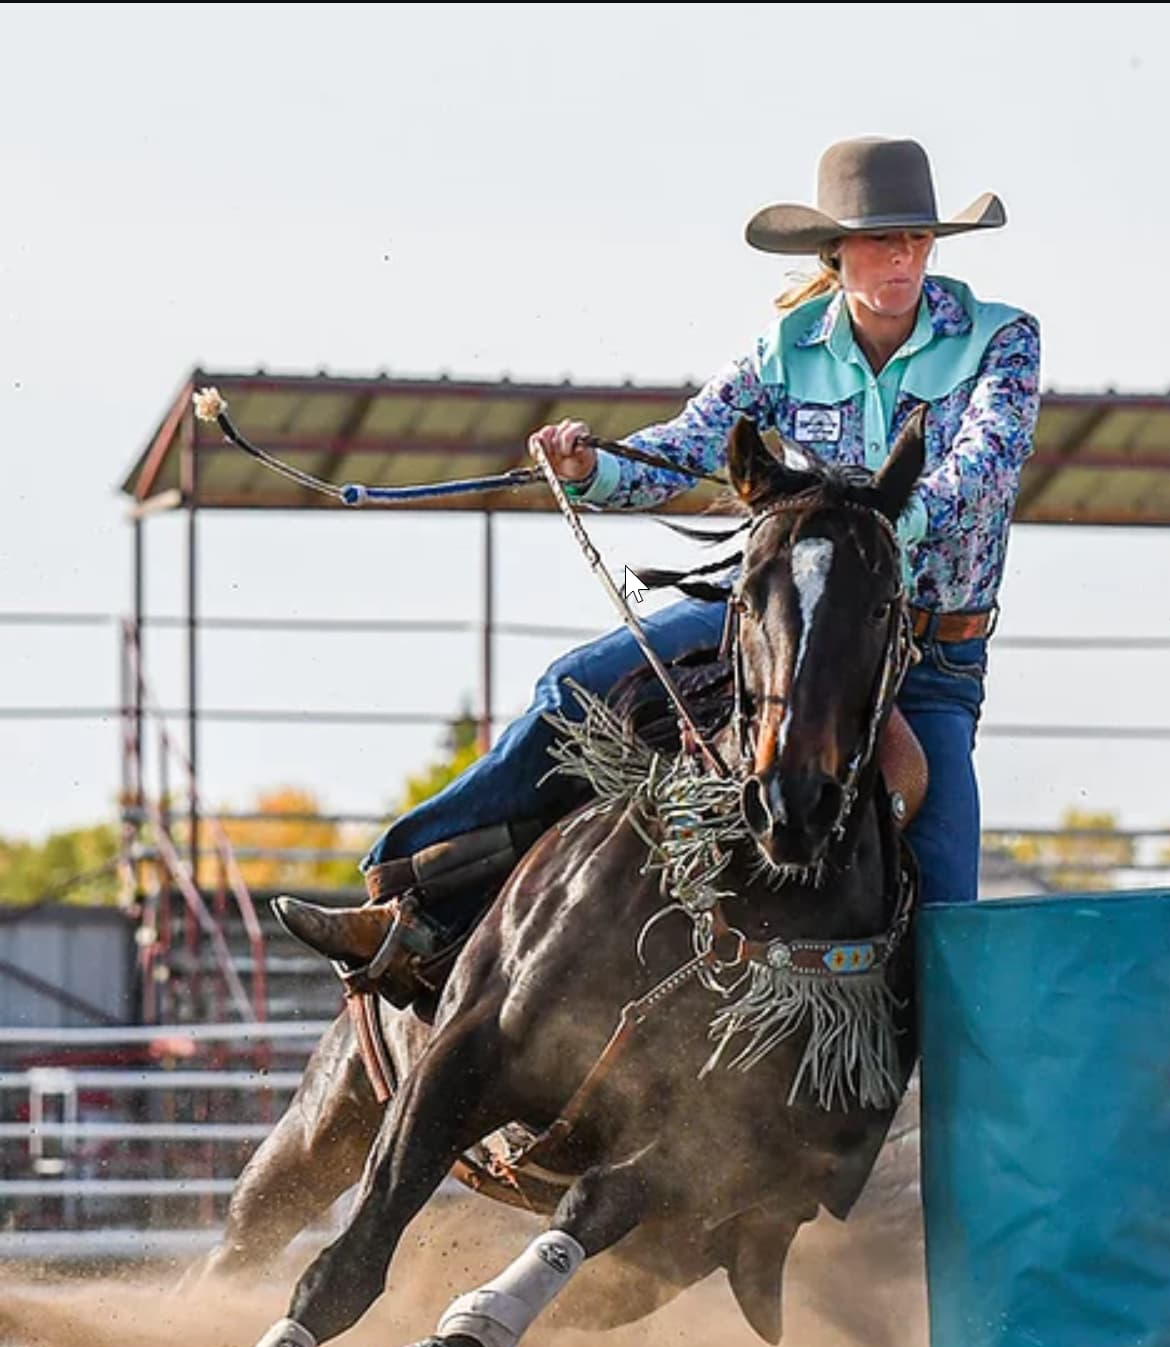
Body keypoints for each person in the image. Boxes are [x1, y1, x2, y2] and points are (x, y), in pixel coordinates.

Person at [273, 135, 1044, 1008]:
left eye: (913, 238)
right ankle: (404, 892)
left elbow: (982, 470)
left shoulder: (1000, 342)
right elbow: (688, 446)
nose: (899, 256)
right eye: (878, 240)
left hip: (923, 658)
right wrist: (591, 470)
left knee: (948, 903)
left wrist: (866, 530)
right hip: (782, 637)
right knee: (577, 687)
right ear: (835, 254)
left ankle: (954, 1112)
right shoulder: (787, 350)